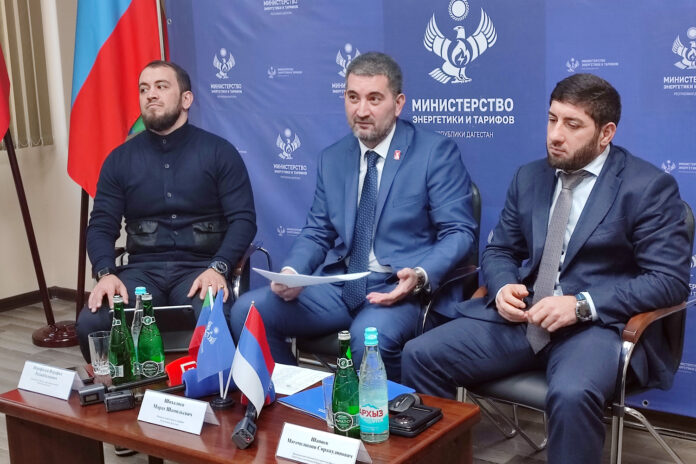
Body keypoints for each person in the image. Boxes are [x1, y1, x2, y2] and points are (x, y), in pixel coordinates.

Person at [401, 73, 691, 463]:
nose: (555, 134)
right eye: (552, 119)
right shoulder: (530, 177)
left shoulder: (647, 187)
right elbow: (500, 250)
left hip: (594, 328)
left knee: (572, 393)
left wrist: (581, 304)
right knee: (420, 355)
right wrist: (503, 286)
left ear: (605, 133)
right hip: (525, 318)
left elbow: (668, 281)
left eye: (572, 125)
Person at [231, 52, 477, 381]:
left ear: (398, 104)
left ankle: (385, 413)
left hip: (401, 290)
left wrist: (419, 275)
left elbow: (459, 232)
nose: (361, 111)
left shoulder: (434, 152)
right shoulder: (333, 158)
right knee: (248, 312)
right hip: (344, 285)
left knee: (368, 338)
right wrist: (293, 272)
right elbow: (317, 231)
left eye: (374, 99)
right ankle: (296, 402)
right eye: (353, 97)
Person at [76, 60, 256, 361]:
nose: (151, 94)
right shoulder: (119, 160)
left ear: (186, 99)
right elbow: (101, 225)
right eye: (144, 89)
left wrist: (219, 267)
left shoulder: (219, 152)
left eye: (161, 86)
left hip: (200, 269)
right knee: (92, 321)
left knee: (215, 320)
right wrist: (105, 272)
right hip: (141, 272)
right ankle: (122, 388)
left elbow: (244, 220)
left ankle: (208, 391)